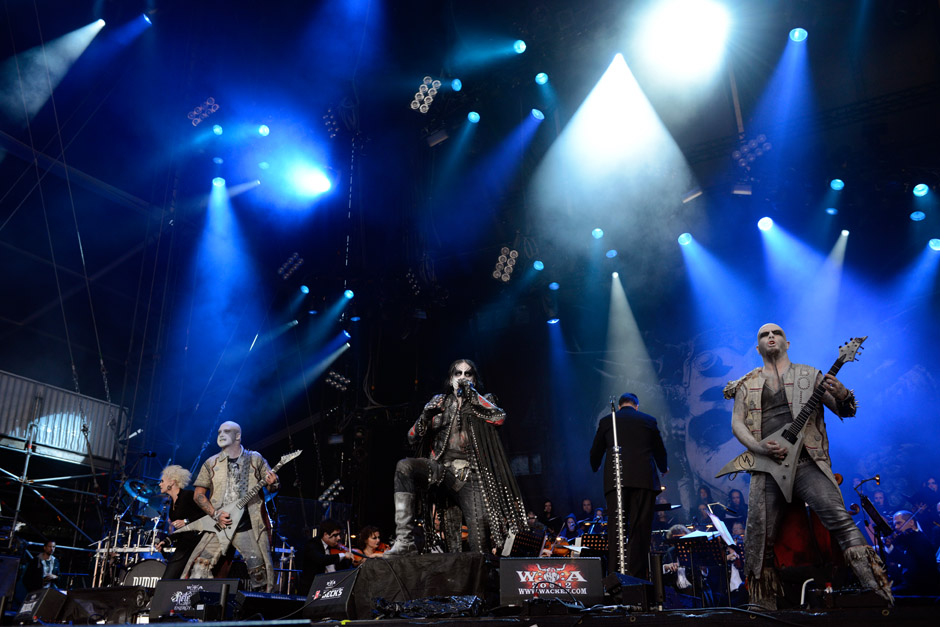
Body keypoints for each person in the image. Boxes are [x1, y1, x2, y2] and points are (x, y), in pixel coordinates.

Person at [723, 323, 893, 608]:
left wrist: (841, 392)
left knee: (840, 520)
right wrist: (758, 447)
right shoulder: (746, 384)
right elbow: (737, 424)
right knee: (759, 536)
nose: (770, 337)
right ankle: (762, 605)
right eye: (764, 335)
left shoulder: (808, 375)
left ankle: (876, 590)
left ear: (787, 343)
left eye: (776, 333)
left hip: (807, 461)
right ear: (757, 347)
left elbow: (844, 410)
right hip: (767, 465)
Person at [385, 359, 527, 555]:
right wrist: (425, 415)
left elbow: (499, 417)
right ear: (450, 378)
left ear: (474, 380)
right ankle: (404, 540)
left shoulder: (483, 401)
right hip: (442, 471)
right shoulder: (440, 403)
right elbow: (411, 438)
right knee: (404, 466)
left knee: (479, 547)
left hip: (472, 477)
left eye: (467, 374)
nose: (462, 377)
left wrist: (472, 395)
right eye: (457, 373)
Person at [182, 421, 279, 591]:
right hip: (219, 526)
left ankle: (259, 611)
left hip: (247, 526)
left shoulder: (255, 459)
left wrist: (273, 483)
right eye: (219, 431)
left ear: (238, 436)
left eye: (226, 431)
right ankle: (199, 610)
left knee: (259, 573)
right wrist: (214, 514)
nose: (221, 434)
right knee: (199, 568)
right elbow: (198, 495)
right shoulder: (211, 463)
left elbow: (272, 486)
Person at [590, 392, 668, 579]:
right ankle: (637, 577)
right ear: (637, 406)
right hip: (643, 481)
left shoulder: (607, 421)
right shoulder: (648, 420)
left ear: (619, 406)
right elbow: (659, 448)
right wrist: (663, 466)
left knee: (616, 528)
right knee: (639, 528)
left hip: (616, 480)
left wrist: (595, 465)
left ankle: (616, 576)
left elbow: (595, 450)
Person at [157, 464, 206, 580]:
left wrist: (186, 521)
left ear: (172, 482)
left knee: (168, 578)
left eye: (162, 481)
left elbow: (206, 514)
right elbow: (180, 530)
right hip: (183, 543)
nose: (160, 484)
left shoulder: (188, 495)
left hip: (194, 543)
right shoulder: (172, 502)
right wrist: (166, 541)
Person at [299, 520, 354, 593]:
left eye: (339, 534)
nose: (339, 538)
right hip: (314, 590)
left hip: (334, 589)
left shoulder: (336, 548)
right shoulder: (312, 545)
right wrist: (342, 555)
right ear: (325, 535)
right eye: (335, 535)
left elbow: (343, 570)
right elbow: (321, 559)